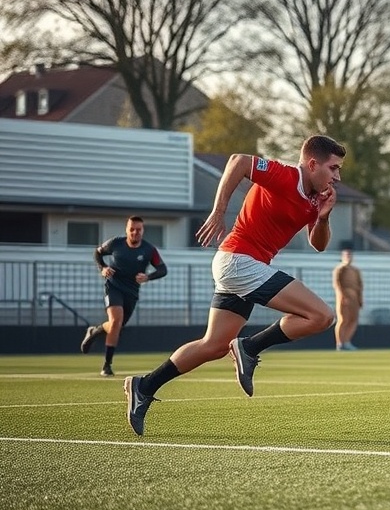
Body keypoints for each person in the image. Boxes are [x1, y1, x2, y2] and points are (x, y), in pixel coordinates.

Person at [123, 135, 346, 436]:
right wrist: (219, 211)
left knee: (214, 345)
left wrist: (323, 218)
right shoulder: (285, 176)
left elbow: (318, 245)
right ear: (313, 164)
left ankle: (144, 386)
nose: (337, 176)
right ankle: (249, 347)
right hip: (239, 261)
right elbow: (238, 161)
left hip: (242, 268)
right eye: (333, 168)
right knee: (322, 316)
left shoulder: (315, 199)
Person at [80, 215, 167, 377]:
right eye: (132, 229)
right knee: (116, 321)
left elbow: (162, 269)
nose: (135, 233)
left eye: (138, 230)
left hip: (132, 292)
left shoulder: (149, 250)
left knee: (116, 327)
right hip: (113, 287)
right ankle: (107, 365)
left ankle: (96, 331)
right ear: (127, 230)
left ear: (143, 230)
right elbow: (97, 253)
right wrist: (103, 268)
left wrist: (148, 277)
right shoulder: (115, 243)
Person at [332, 248, 363, 351]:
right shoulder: (340, 269)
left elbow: (360, 285)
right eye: (346, 255)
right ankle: (339, 343)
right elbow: (337, 284)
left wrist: (360, 298)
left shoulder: (355, 270)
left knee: (353, 320)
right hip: (344, 298)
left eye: (350, 255)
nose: (349, 257)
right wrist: (342, 296)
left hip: (354, 298)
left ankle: (346, 341)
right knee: (343, 320)